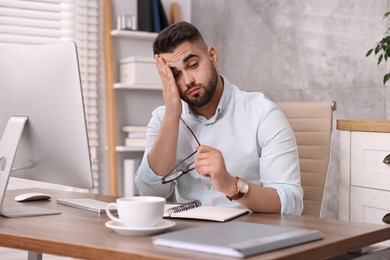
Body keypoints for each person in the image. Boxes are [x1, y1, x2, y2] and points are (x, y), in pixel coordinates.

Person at [135, 21, 303, 215]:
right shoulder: (162, 119)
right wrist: (172, 115)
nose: (188, 80)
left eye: (193, 65)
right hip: (186, 236)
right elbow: (149, 192)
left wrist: (232, 186)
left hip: (249, 236)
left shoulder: (263, 113)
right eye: (176, 75)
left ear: (212, 56)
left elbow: (291, 203)